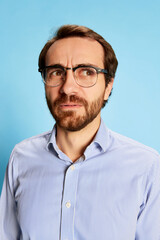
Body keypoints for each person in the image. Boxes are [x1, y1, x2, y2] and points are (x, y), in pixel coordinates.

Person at [0, 25, 160, 240]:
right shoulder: (21, 157)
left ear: (108, 86)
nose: (68, 88)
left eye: (86, 72)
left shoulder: (146, 167)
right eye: (57, 72)